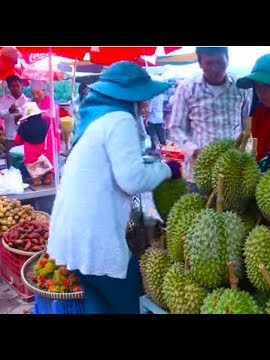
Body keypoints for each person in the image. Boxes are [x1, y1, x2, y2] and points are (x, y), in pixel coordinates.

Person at [46, 61, 181, 314]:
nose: (144, 106)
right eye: (142, 99)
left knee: (96, 301)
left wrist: (149, 162)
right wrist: (167, 170)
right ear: (129, 97)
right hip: (94, 238)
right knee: (128, 300)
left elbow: (111, 166)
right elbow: (131, 180)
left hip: (72, 236)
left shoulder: (98, 119)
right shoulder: (120, 119)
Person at [168, 47, 252, 187]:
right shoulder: (187, 88)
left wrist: (246, 151)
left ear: (228, 59)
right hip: (198, 172)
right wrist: (193, 149)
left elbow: (245, 124)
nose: (215, 68)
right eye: (209, 63)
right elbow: (176, 127)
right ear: (200, 63)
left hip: (232, 171)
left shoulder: (242, 87)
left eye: (220, 62)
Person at [29, 80, 62, 185]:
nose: (36, 96)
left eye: (38, 93)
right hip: (37, 135)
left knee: (49, 154)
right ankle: (39, 176)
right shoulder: (32, 103)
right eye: (33, 93)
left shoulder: (51, 102)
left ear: (43, 91)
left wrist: (39, 114)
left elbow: (52, 115)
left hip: (50, 135)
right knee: (37, 155)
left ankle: (49, 175)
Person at [14, 102, 50, 186]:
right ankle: (48, 177)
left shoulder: (23, 126)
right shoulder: (46, 124)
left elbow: (17, 141)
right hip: (42, 152)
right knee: (43, 165)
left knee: (31, 167)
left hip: (30, 154)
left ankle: (36, 180)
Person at [0, 75, 30, 154]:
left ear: (21, 85)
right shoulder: (3, 101)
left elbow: (32, 118)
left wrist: (22, 117)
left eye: (17, 85)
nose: (15, 88)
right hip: (10, 137)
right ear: (8, 87)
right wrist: (9, 111)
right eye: (12, 86)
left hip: (25, 137)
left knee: (26, 163)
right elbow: (1, 115)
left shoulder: (28, 101)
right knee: (11, 163)